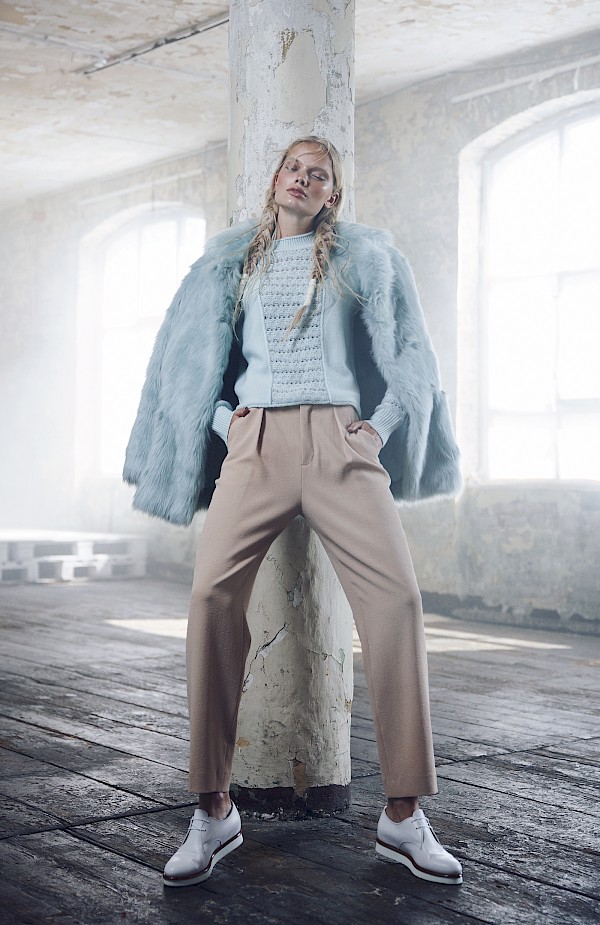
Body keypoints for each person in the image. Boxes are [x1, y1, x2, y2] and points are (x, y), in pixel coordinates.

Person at [123, 136, 463, 888]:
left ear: (331, 194)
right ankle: (213, 807)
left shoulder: (365, 258)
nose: (304, 180)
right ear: (275, 179)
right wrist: (224, 423)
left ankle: (403, 815)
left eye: (320, 175)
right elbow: (189, 357)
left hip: (340, 440)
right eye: (294, 168)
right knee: (212, 596)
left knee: (399, 600)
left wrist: (377, 427)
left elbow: (413, 355)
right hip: (257, 440)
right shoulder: (227, 262)